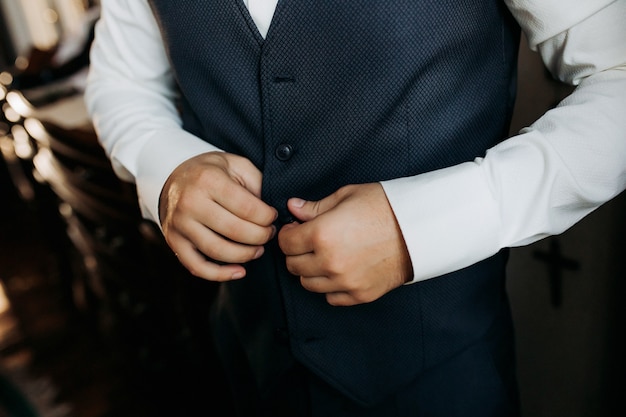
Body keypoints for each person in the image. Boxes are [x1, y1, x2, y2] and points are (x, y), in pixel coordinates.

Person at [85, 0, 626, 416]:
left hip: (441, 378)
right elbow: (121, 83)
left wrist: (424, 226)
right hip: (247, 360)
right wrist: (167, 168)